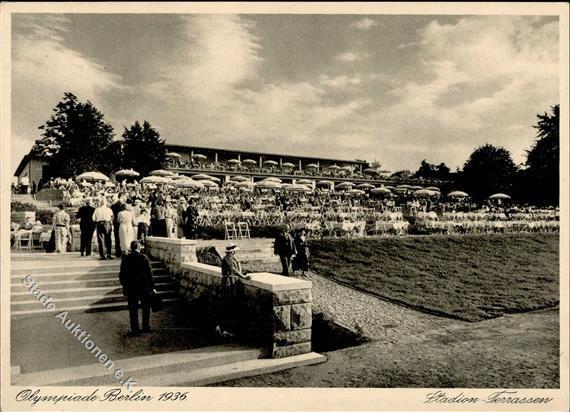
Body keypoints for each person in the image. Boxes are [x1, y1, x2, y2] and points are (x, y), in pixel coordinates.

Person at [119, 240, 155, 336]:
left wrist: (125, 286)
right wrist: (152, 287)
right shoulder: (144, 258)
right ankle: (145, 327)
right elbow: (150, 274)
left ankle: (134, 329)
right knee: (146, 307)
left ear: (131, 248)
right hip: (144, 287)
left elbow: (122, 275)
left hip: (131, 288)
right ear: (139, 248)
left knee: (133, 309)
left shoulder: (126, 259)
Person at [216, 244, 251, 338]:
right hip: (229, 282)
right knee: (228, 303)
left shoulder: (231, 258)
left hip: (232, 280)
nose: (235, 252)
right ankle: (224, 328)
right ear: (231, 252)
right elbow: (234, 270)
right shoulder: (228, 259)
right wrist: (244, 277)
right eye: (234, 251)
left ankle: (223, 327)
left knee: (231, 303)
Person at [111, 192, 127, 257]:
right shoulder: (123, 205)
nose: (125, 198)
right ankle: (123, 252)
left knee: (117, 238)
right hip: (122, 223)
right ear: (122, 196)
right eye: (125, 196)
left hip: (116, 223)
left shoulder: (113, 205)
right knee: (123, 238)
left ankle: (118, 253)